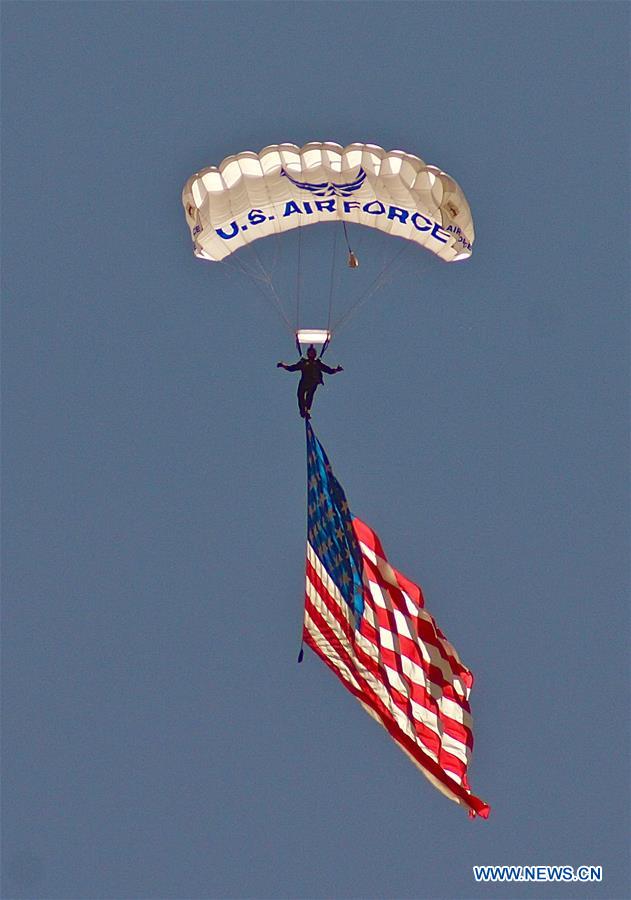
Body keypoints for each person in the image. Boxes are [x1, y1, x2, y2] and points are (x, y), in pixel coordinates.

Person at [277, 345, 343, 418]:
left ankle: (307, 410)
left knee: (309, 395)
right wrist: (283, 365)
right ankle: (303, 412)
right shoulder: (303, 362)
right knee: (300, 395)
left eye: (312, 353)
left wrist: (336, 370)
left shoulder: (317, 363)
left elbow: (329, 370)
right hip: (304, 383)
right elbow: (292, 368)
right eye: (310, 352)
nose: (311, 354)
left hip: (313, 382)